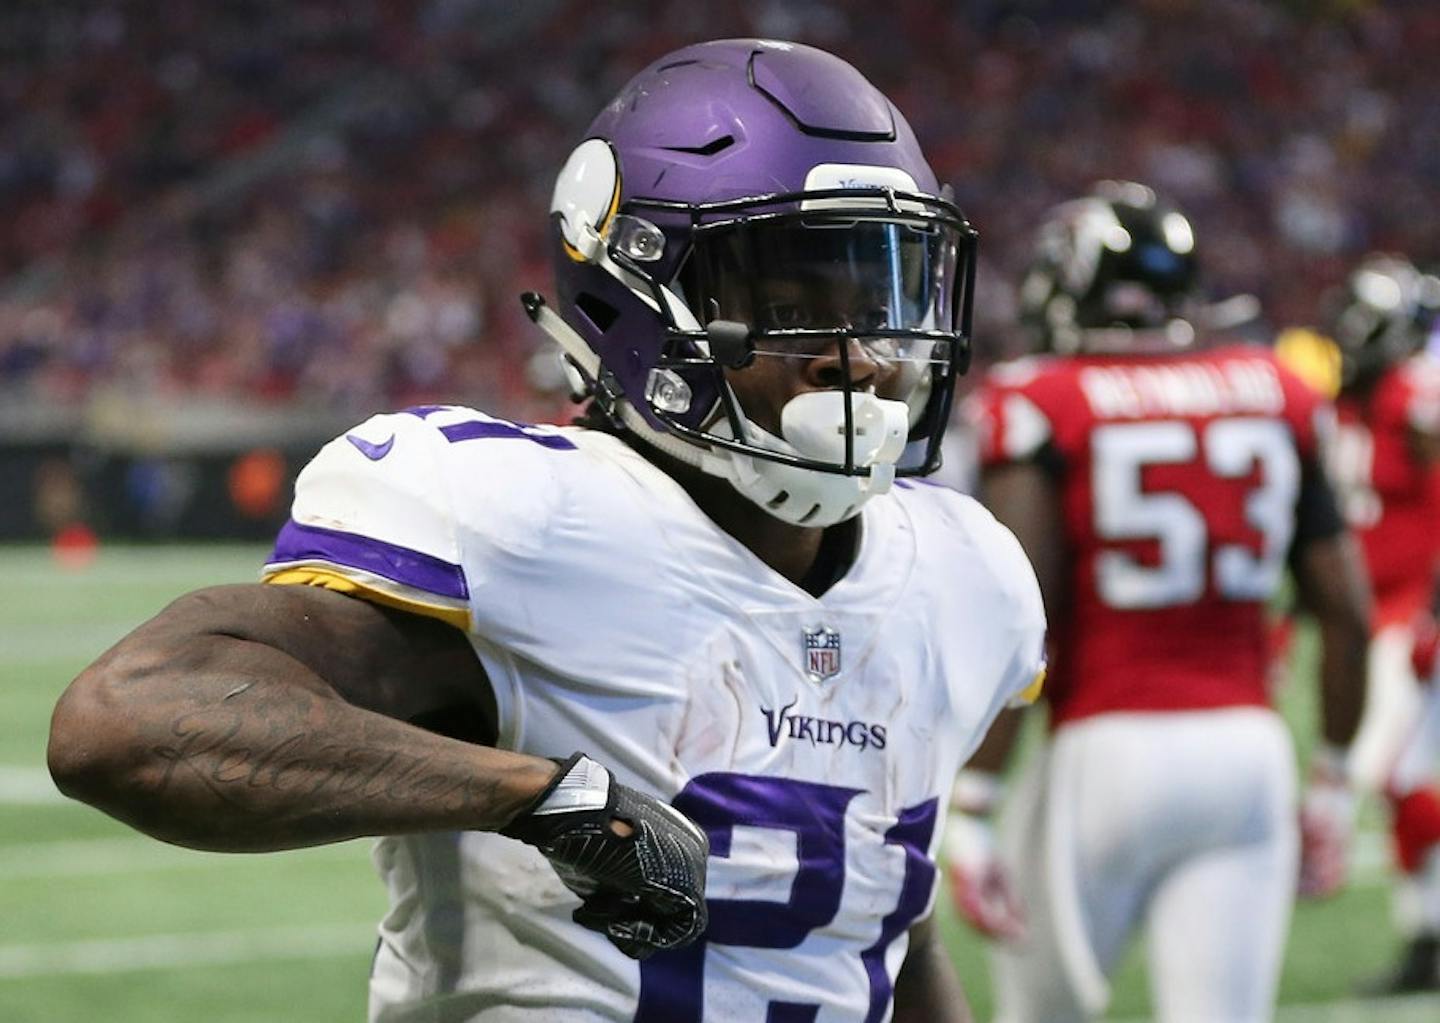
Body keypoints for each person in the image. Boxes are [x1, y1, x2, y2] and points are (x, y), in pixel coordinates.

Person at [47, 39, 1048, 1023]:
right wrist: (543, 799)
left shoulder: (962, 573)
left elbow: (880, 930)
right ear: (637, 297)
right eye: (790, 301)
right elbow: (122, 723)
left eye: (887, 293)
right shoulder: (527, 519)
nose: (862, 357)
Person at [947, 181, 1371, 1022]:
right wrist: (1331, 779)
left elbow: (1026, 620)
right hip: (1249, 754)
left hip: (1105, 752)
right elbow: (1346, 610)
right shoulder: (1273, 386)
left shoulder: (1041, 399)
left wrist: (976, 802)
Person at [1314, 254, 1440, 993]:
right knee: (1404, 782)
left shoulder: (1415, 393)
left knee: (1385, 772)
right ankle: (1425, 936)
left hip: (1414, 613)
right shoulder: (1350, 405)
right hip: (1377, 615)